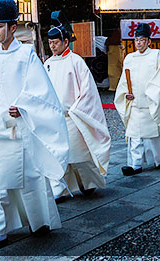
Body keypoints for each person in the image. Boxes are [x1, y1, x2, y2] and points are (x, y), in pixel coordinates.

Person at [0, 0, 69, 253]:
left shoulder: (26, 55)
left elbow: (40, 92)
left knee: (30, 180)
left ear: (13, 28)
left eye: (0, 26)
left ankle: (40, 221)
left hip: (17, 129)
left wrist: (23, 107)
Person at [45, 19, 111, 200]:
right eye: (50, 43)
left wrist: (77, 110)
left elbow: (88, 90)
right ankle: (58, 189)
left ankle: (88, 184)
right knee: (57, 156)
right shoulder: (48, 63)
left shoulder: (76, 61)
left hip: (73, 115)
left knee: (79, 155)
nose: (52, 46)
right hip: (55, 118)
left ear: (65, 42)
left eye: (56, 42)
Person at [114, 22, 160, 175]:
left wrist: (154, 94)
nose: (139, 43)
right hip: (135, 103)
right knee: (134, 135)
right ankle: (134, 164)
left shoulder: (155, 56)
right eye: (136, 40)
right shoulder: (129, 58)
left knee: (154, 136)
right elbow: (124, 80)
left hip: (150, 101)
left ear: (148, 41)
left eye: (142, 39)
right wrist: (126, 93)